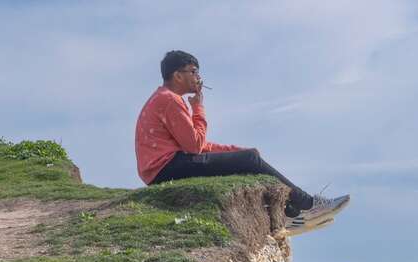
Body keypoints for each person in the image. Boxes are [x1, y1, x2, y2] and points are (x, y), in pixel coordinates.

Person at [134, 50, 349, 234]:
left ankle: (290, 214)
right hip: (165, 168)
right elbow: (194, 146)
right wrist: (199, 107)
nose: (198, 77)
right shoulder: (170, 100)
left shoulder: (165, 98)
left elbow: (197, 146)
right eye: (193, 71)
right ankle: (308, 204)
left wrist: (239, 152)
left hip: (166, 166)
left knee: (248, 158)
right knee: (249, 159)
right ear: (177, 75)